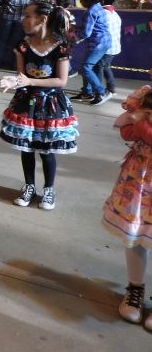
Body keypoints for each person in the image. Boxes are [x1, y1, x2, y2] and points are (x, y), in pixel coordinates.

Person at [0, 1, 78, 210]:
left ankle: (49, 189)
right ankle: (29, 186)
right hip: (27, 103)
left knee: (46, 149)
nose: (22, 19)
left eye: (27, 15)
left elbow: (61, 81)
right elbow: (21, 76)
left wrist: (30, 81)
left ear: (42, 19)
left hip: (50, 105)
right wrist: (14, 81)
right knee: (26, 147)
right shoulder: (23, 45)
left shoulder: (60, 47)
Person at [102, 86, 152, 330]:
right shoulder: (145, 94)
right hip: (139, 176)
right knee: (136, 234)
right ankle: (135, 288)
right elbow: (125, 131)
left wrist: (140, 123)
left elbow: (137, 129)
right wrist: (138, 123)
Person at [70, 0, 112, 106]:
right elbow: (91, 27)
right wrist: (75, 28)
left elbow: (86, 33)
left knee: (85, 67)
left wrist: (73, 38)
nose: (80, 1)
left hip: (98, 44)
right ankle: (87, 92)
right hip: (104, 41)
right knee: (89, 66)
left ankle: (101, 92)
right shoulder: (99, 7)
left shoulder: (90, 12)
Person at [95, 1, 122, 96]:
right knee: (105, 66)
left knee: (98, 67)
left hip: (107, 47)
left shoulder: (103, 14)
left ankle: (99, 91)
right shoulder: (115, 14)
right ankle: (111, 88)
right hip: (115, 47)